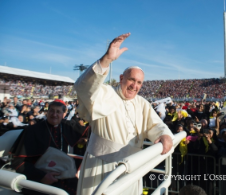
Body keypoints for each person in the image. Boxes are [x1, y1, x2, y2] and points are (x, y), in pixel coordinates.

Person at [74, 33, 174, 195]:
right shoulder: (106, 93)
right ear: (121, 78)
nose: (134, 86)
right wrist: (106, 59)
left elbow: (156, 125)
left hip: (131, 168)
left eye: (139, 82)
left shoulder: (142, 103)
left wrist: (164, 135)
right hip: (101, 165)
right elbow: (83, 87)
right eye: (131, 80)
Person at [10, 99, 88, 195]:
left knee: (85, 190)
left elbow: (90, 132)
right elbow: (18, 163)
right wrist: (42, 176)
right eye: (51, 111)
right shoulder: (32, 131)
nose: (54, 114)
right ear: (47, 112)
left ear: (63, 114)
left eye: (58, 112)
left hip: (62, 175)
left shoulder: (66, 125)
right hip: (38, 179)